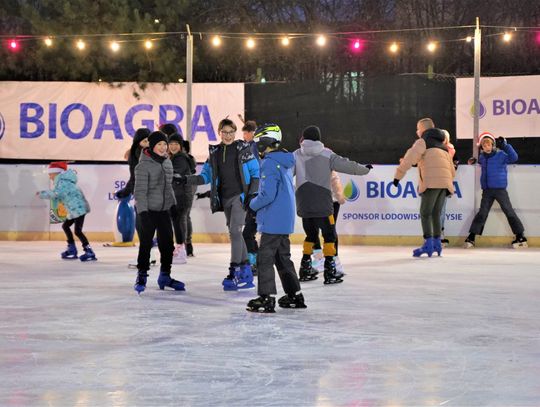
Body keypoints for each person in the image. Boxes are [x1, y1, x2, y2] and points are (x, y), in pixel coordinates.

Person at [176, 118, 260, 291]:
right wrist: (186, 179)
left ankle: (234, 271)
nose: (228, 135)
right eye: (225, 132)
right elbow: (205, 176)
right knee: (235, 232)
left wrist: (251, 195)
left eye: (231, 132)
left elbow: (255, 173)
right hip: (225, 198)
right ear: (219, 132)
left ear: (235, 133)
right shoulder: (214, 152)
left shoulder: (243, 149)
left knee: (236, 231)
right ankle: (246, 271)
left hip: (240, 197)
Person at [294, 125, 372, 284]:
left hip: (304, 205)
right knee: (329, 235)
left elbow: (283, 171)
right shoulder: (327, 154)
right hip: (323, 204)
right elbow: (347, 165)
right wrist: (364, 169)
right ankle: (330, 271)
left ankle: (305, 268)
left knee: (310, 235)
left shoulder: (295, 155)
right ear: (318, 138)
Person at [247, 123, 306, 313]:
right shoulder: (285, 160)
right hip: (284, 218)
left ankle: (266, 298)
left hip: (273, 218)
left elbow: (268, 195)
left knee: (265, 258)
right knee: (283, 258)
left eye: (258, 142)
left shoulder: (270, 163)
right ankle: (294, 294)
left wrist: (252, 205)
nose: (256, 146)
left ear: (265, 142)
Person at [393, 118, 455, 257]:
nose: (416, 131)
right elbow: (452, 169)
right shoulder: (443, 146)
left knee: (425, 213)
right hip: (445, 184)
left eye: (417, 128)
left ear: (422, 130)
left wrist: (398, 176)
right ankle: (437, 244)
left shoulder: (423, 142)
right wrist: (448, 183)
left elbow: (409, 158)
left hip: (431, 182)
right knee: (435, 214)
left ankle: (428, 244)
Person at [133, 130, 184, 294]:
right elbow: (140, 192)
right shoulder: (143, 166)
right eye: (159, 144)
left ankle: (165, 276)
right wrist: (143, 213)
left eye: (165, 144)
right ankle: (141, 275)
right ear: (152, 146)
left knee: (167, 245)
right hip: (147, 211)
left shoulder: (167, 162)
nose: (163, 148)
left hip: (163, 211)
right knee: (146, 244)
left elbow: (168, 188)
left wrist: (173, 205)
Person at [464, 132, 528, 249]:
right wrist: (473, 162)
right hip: (487, 191)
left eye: (489, 145)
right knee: (482, 213)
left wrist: (505, 145)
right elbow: (480, 163)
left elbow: (514, 158)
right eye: (484, 146)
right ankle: (471, 237)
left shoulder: (501, 155)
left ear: (493, 145)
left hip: (500, 190)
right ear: (482, 147)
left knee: (509, 211)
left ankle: (520, 236)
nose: (487, 147)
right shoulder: (483, 158)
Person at [37, 161, 96, 261]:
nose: (50, 177)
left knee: (77, 231)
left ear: (56, 173)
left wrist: (42, 194)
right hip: (75, 209)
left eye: (50, 174)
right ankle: (72, 249)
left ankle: (89, 251)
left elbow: (56, 194)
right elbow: (59, 195)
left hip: (78, 209)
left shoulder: (63, 182)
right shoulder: (63, 181)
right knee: (65, 226)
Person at [115, 128, 151, 239]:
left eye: (149, 141)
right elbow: (134, 177)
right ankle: (146, 248)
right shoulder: (138, 155)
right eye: (145, 141)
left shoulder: (150, 153)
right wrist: (126, 191)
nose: (147, 144)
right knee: (142, 220)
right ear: (138, 142)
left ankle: (147, 247)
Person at [241, 120, 260, 272]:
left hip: (256, 195)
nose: (244, 136)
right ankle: (255, 259)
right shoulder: (252, 146)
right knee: (250, 231)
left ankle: (254, 260)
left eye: (245, 133)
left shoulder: (254, 147)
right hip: (254, 195)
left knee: (248, 232)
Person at [440, 129, 457, 247]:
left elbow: (454, 164)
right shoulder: (431, 149)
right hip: (431, 183)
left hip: (444, 183)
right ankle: (431, 235)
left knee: (441, 210)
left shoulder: (450, 150)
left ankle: (439, 234)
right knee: (431, 211)